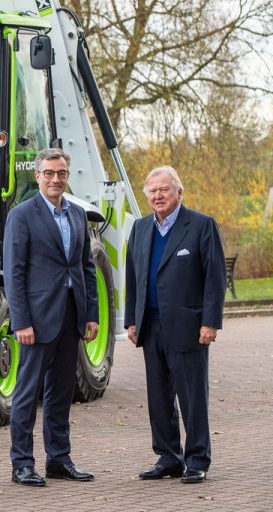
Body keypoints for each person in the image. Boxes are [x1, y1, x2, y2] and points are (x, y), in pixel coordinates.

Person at [3, 148, 99, 487]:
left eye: (61, 173)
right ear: (38, 176)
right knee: (27, 394)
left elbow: (86, 268)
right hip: (37, 321)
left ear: (67, 175)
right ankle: (22, 464)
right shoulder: (22, 215)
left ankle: (58, 459)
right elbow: (13, 273)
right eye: (48, 173)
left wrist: (91, 315)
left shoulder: (76, 214)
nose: (55, 179)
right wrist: (21, 321)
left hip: (72, 317)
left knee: (60, 394)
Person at [125, 165, 226, 484]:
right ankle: (169, 456)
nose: (157, 196)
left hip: (188, 326)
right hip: (150, 325)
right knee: (158, 396)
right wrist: (131, 319)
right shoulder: (140, 228)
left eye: (164, 190)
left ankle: (197, 459)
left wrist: (210, 322)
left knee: (192, 396)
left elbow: (215, 278)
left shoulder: (200, 225)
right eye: (152, 191)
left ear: (178, 192)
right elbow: (132, 276)